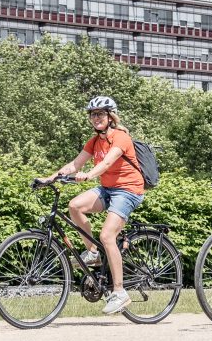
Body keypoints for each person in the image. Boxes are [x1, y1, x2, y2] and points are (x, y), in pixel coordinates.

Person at [43, 95, 145, 315]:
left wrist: (89, 175)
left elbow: (107, 162)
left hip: (128, 190)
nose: (95, 118)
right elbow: (75, 164)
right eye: (92, 115)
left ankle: (120, 292)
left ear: (110, 116)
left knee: (107, 236)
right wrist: (49, 178)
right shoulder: (94, 141)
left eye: (100, 114)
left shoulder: (121, 137)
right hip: (108, 189)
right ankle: (93, 253)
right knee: (75, 206)